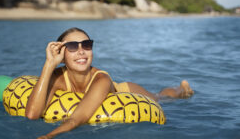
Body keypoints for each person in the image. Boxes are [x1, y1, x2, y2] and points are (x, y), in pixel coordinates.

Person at [25, 27, 194, 139]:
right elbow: (32, 114)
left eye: (87, 44)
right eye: (72, 47)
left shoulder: (101, 79)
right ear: (61, 53)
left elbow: (77, 119)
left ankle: (182, 90)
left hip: (124, 90)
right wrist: (49, 64)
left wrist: (48, 136)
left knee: (160, 97)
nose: (81, 51)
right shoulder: (57, 77)